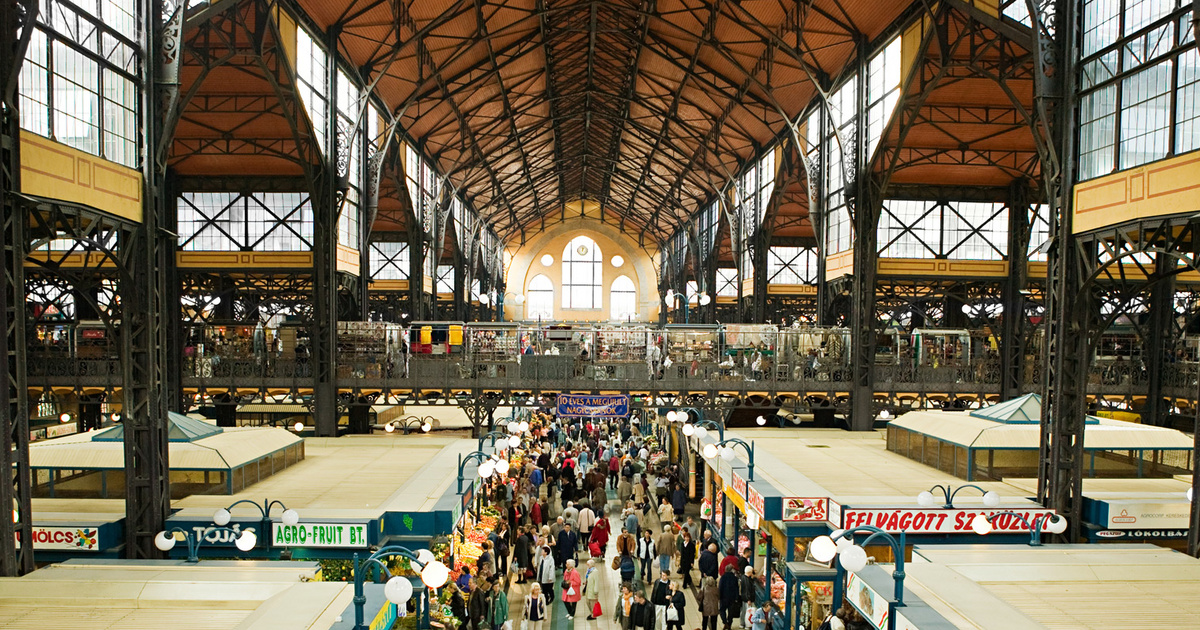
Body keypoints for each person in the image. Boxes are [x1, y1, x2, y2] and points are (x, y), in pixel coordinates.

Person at [719, 565, 740, 630]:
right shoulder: (734, 578)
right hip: (732, 598)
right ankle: (729, 623)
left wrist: (719, 597)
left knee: (722, 610)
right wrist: (736, 598)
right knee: (731, 612)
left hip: (724, 597)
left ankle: (725, 622)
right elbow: (737, 588)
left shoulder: (723, 577)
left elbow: (720, 587)